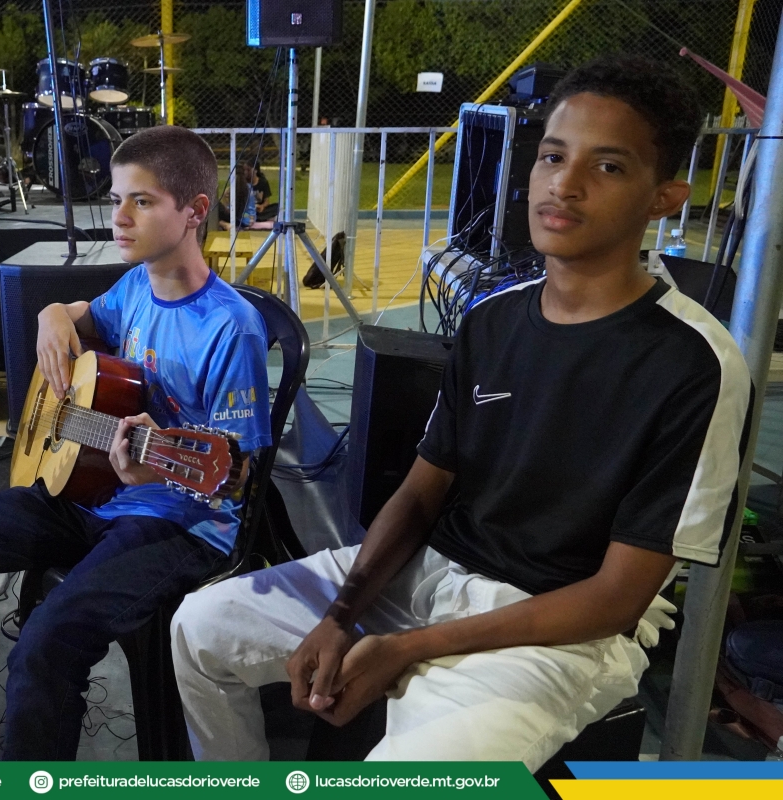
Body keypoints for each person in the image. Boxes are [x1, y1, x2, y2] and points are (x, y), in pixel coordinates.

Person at [170, 53, 752, 768]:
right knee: (200, 626)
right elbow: (422, 491)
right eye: (553, 156)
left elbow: (616, 600)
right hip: (430, 575)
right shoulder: (492, 319)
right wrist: (341, 614)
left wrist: (407, 649)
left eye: (607, 167)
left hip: (558, 632)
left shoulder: (696, 362)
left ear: (664, 198)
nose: (564, 184)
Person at [0, 126, 272, 761]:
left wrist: (158, 468)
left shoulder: (232, 328)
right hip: (91, 489)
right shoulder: (136, 285)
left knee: (44, 644)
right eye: (116, 199)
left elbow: (237, 477)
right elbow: (85, 313)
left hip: (179, 522)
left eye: (141, 201)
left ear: (195, 211)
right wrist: (53, 315)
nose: (119, 218)